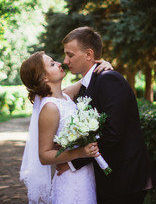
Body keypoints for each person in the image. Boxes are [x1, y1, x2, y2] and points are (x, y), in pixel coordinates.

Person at [58, 26, 152, 204]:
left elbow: (113, 132)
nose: (65, 60)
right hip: (108, 179)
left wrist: (73, 161)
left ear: (88, 54)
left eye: (70, 55)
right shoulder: (87, 85)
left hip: (125, 177)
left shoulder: (109, 79)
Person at [19, 51, 113, 204]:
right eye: (52, 64)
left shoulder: (66, 95)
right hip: (70, 181)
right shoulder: (49, 108)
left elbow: (89, 77)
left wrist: (104, 65)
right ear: (44, 77)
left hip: (84, 174)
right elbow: (44, 156)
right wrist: (80, 152)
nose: (59, 63)